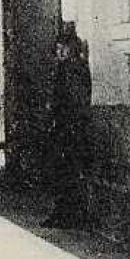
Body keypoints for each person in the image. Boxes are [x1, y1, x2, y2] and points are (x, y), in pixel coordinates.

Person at [42, 28, 93, 229]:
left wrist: (54, 110)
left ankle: (65, 214)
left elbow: (72, 100)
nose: (59, 52)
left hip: (68, 128)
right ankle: (65, 213)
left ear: (71, 48)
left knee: (65, 172)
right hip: (70, 127)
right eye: (58, 49)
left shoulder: (69, 69)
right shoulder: (78, 67)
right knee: (65, 172)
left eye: (62, 48)